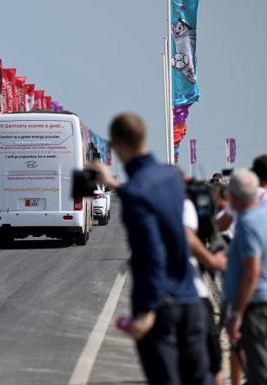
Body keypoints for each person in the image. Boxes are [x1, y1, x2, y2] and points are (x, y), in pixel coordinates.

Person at [92, 113, 211, 385]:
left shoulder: (136, 192)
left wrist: (147, 310)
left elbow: (152, 252)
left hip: (161, 308)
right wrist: (115, 185)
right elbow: (149, 196)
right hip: (190, 299)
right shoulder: (169, 177)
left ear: (119, 145)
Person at [218, 155, 267, 385]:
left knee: (260, 372)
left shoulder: (245, 223)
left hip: (255, 305)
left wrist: (238, 313)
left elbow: (252, 272)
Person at [183, 195, 226, 385]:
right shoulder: (188, 211)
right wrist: (210, 259)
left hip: (167, 302)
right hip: (194, 298)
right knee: (213, 362)